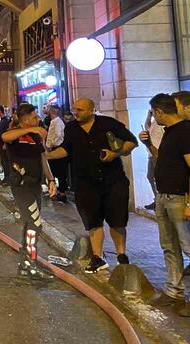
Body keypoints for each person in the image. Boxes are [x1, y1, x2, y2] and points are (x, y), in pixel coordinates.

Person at [48, 98, 137, 273]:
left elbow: (131, 141)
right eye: (75, 109)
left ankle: (121, 254)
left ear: (91, 110)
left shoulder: (108, 123)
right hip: (85, 182)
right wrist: (47, 156)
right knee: (93, 221)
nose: (76, 112)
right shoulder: (72, 128)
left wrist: (114, 153)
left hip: (113, 180)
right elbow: (66, 149)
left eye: (80, 110)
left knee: (117, 220)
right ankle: (98, 257)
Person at [139, 94, 190, 315]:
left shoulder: (185, 132)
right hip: (164, 196)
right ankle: (173, 294)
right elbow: (165, 160)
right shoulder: (170, 133)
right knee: (169, 247)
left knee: (188, 247)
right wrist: (148, 143)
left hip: (179, 198)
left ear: (159, 112)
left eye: (154, 113)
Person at [1, 103, 57, 280]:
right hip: (21, 185)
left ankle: (26, 262)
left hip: (35, 185)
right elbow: (5, 137)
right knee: (35, 225)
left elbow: (42, 158)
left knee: (29, 224)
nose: (38, 119)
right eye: (34, 117)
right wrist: (29, 129)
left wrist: (50, 179)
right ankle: (31, 263)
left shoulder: (35, 135)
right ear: (25, 119)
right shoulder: (16, 134)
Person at [45, 105, 68, 203]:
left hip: (57, 148)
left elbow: (57, 135)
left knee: (60, 172)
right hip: (54, 147)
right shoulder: (54, 122)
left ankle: (62, 193)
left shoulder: (57, 122)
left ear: (51, 111)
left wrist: (50, 145)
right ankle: (56, 190)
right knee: (54, 171)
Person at [143, 108, 164, 211]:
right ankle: (157, 199)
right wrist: (149, 115)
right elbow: (147, 127)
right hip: (151, 154)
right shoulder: (154, 122)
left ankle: (160, 201)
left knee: (158, 178)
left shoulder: (162, 123)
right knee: (150, 177)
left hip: (158, 154)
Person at [0, 104, 12, 185]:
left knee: (5, 162)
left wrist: (5, 143)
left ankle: (8, 180)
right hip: (0, 142)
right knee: (3, 161)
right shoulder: (1, 120)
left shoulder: (6, 120)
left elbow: (7, 132)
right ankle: (5, 178)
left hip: (4, 144)